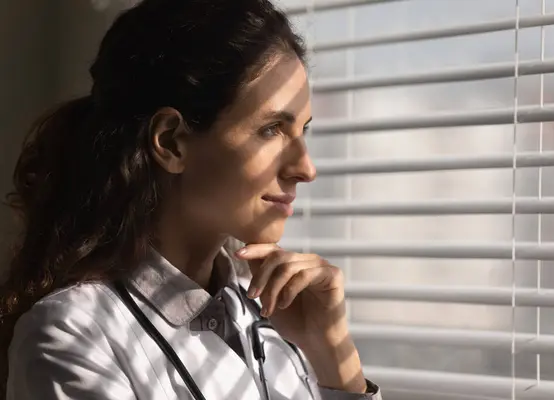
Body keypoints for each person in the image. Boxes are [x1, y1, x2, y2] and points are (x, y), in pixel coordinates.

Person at [0, 0, 383, 399]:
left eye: (303, 130)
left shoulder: (280, 323)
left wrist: (336, 360)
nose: (306, 168)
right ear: (172, 142)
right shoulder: (72, 338)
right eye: (272, 129)